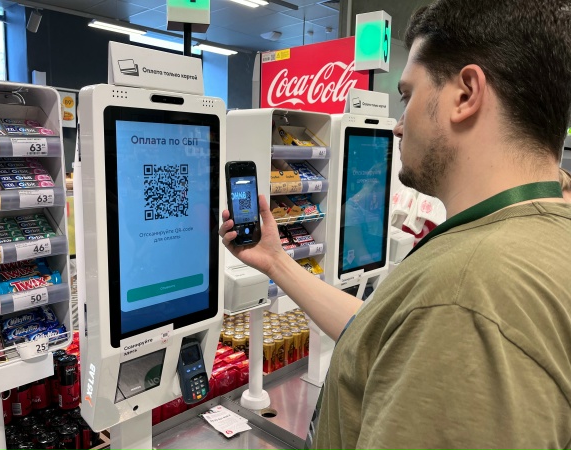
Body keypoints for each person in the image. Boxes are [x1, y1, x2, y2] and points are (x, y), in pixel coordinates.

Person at [219, 0, 571, 448]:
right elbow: (378, 331)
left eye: (407, 95)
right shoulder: (540, 235)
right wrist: (275, 260)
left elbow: (437, 321)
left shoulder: (462, 294)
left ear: (466, 94)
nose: (399, 126)